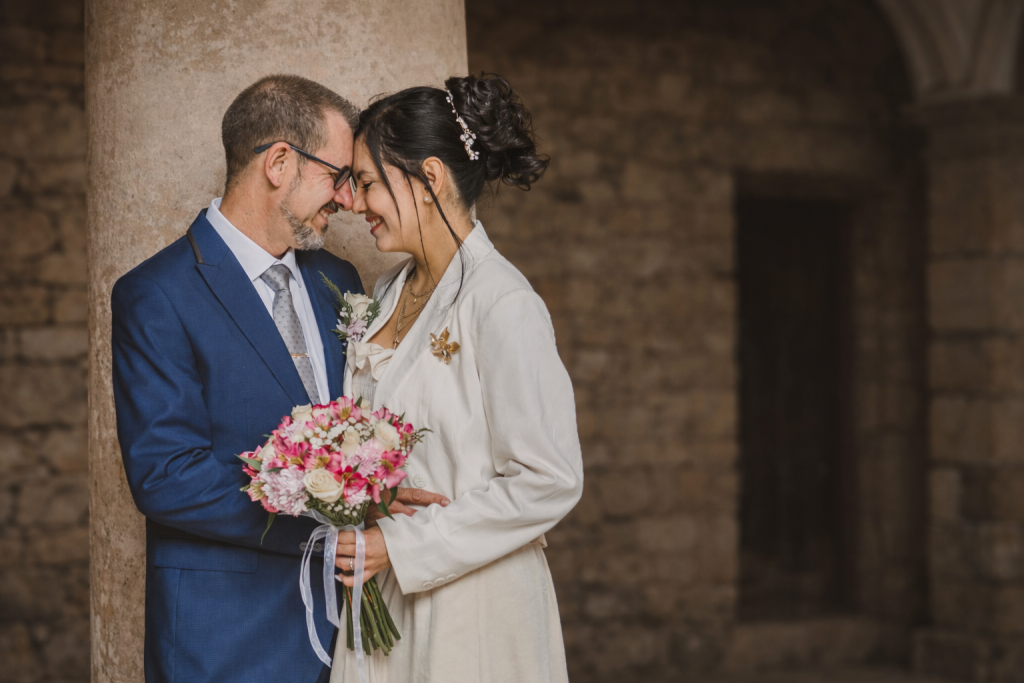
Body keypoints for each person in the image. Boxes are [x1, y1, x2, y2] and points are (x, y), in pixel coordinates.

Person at [110, 74, 448, 683]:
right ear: (279, 163)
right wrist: (330, 511)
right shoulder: (156, 294)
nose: (348, 200)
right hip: (224, 641)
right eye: (338, 177)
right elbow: (165, 475)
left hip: (351, 642)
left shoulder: (338, 280)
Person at [328, 73, 584, 683]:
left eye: (367, 182)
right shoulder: (388, 293)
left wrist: (407, 546)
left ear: (430, 180)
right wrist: (368, 501)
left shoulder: (503, 303)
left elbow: (549, 480)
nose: (357, 204)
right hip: (387, 598)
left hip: (474, 608)